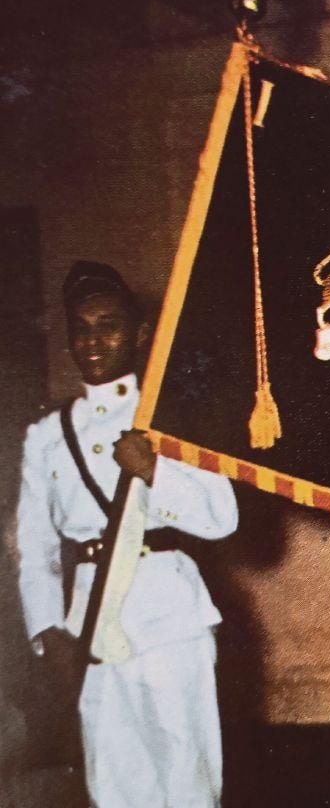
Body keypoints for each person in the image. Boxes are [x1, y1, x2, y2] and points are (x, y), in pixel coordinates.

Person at [15, 260, 238, 807]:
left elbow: (221, 516)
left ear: (139, 335)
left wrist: (152, 470)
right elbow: (34, 547)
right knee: (113, 780)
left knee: (186, 774)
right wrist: (48, 628)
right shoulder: (47, 435)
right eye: (81, 327)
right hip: (91, 626)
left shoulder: (172, 418)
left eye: (108, 324)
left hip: (169, 617)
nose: (93, 340)